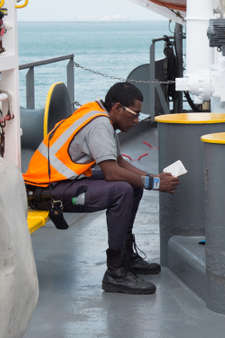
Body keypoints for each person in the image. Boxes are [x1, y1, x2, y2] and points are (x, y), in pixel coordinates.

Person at [23, 82, 179, 295]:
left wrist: (152, 177)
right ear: (116, 108)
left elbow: (119, 163)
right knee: (122, 189)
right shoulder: (99, 124)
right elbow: (112, 173)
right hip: (45, 192)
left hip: (61, 182)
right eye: (134, 115)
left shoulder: (98, 113)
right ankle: (115, 273)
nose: (136, 121)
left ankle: (125, 256)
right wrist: (155, 184)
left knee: (133, 185)